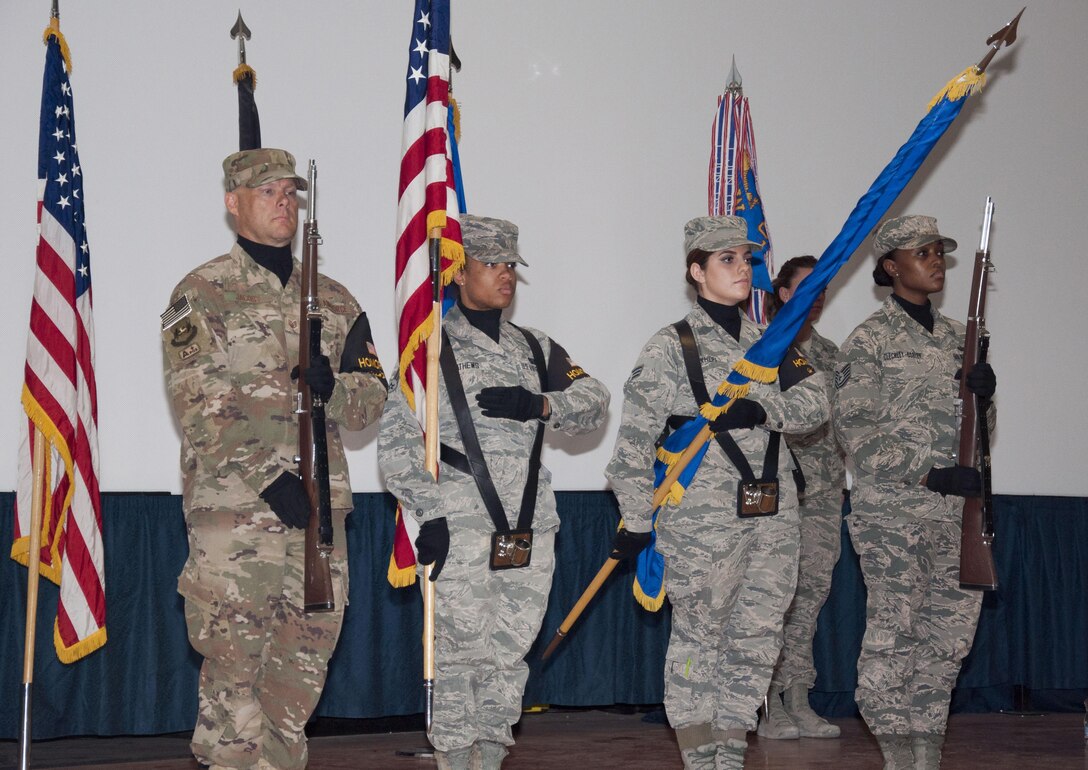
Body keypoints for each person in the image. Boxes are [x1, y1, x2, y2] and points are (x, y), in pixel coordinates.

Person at [160, 148, 388, 770]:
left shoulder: (337, 301)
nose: (283, 201)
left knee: (299, 675)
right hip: (237, 517)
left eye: (290, 192)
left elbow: (374, 396)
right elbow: (200, 403)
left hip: (318, 519)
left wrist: (332, 389)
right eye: (267, 192)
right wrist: (269, 481)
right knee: (234, 668)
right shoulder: (202, 292)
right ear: (234, 204)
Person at [377, 214, 610, 770]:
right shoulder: (428, 349)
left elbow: (596, 399)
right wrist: (428, 514)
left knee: (509, 655)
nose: (506, 276)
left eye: (511, 266)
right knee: (460, 658)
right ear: (458, 271)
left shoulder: (535, 347)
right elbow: (398, 441)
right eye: (492, 264)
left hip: (529, 527)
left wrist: (543, 404)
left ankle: (490, 757)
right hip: (460, 523)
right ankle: (456, 759)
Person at [605, 216, 829, 770]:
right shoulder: (670, 346)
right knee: (699, 643)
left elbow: (817, 405)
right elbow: (630, 449)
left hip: (773, 519)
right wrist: (637, 521)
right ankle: (699, 758)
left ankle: (728, 756)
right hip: (702, 523)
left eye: (747, 260)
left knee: (756, 642)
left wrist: (763, 407)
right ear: (696, 270)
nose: (742, 269)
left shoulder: (771, 343)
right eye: (726, 260)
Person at [832, 215, 997, 770]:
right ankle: (896, 752)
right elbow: (855, 434)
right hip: (893, 514)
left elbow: (979, 437)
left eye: (938, 253)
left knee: (948, 640)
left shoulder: (960, 338)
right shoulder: (868, 341)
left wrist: (985, 398)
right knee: (894, 634)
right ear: (889, 265)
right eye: (921, 252)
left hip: (957, 517)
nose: (934, 262)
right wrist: (929, 473)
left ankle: (927, 750)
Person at [759, 256, 846, 740]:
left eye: (824, 287)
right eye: (807, 286)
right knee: (771, 597)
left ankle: (798, 697)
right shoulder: (763, 346)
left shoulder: (832, 354)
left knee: (809, 598)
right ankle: (767, 702)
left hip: (824, 493)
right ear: (784, 293)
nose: (819, 295)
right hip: (774, 494)